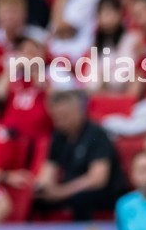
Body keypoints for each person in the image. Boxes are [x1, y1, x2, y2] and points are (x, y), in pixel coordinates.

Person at [32, 90, 126, 220]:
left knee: (81, 199)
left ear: (78, 112)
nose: (59, 122)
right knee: (37, 200)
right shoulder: (58, 136)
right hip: (69, 188)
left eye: (64, 116)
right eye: (56, 117)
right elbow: (49, 169)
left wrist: (62, 191)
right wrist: (43, 188)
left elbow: (98, 179)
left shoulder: (96, 134)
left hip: (104, 191)